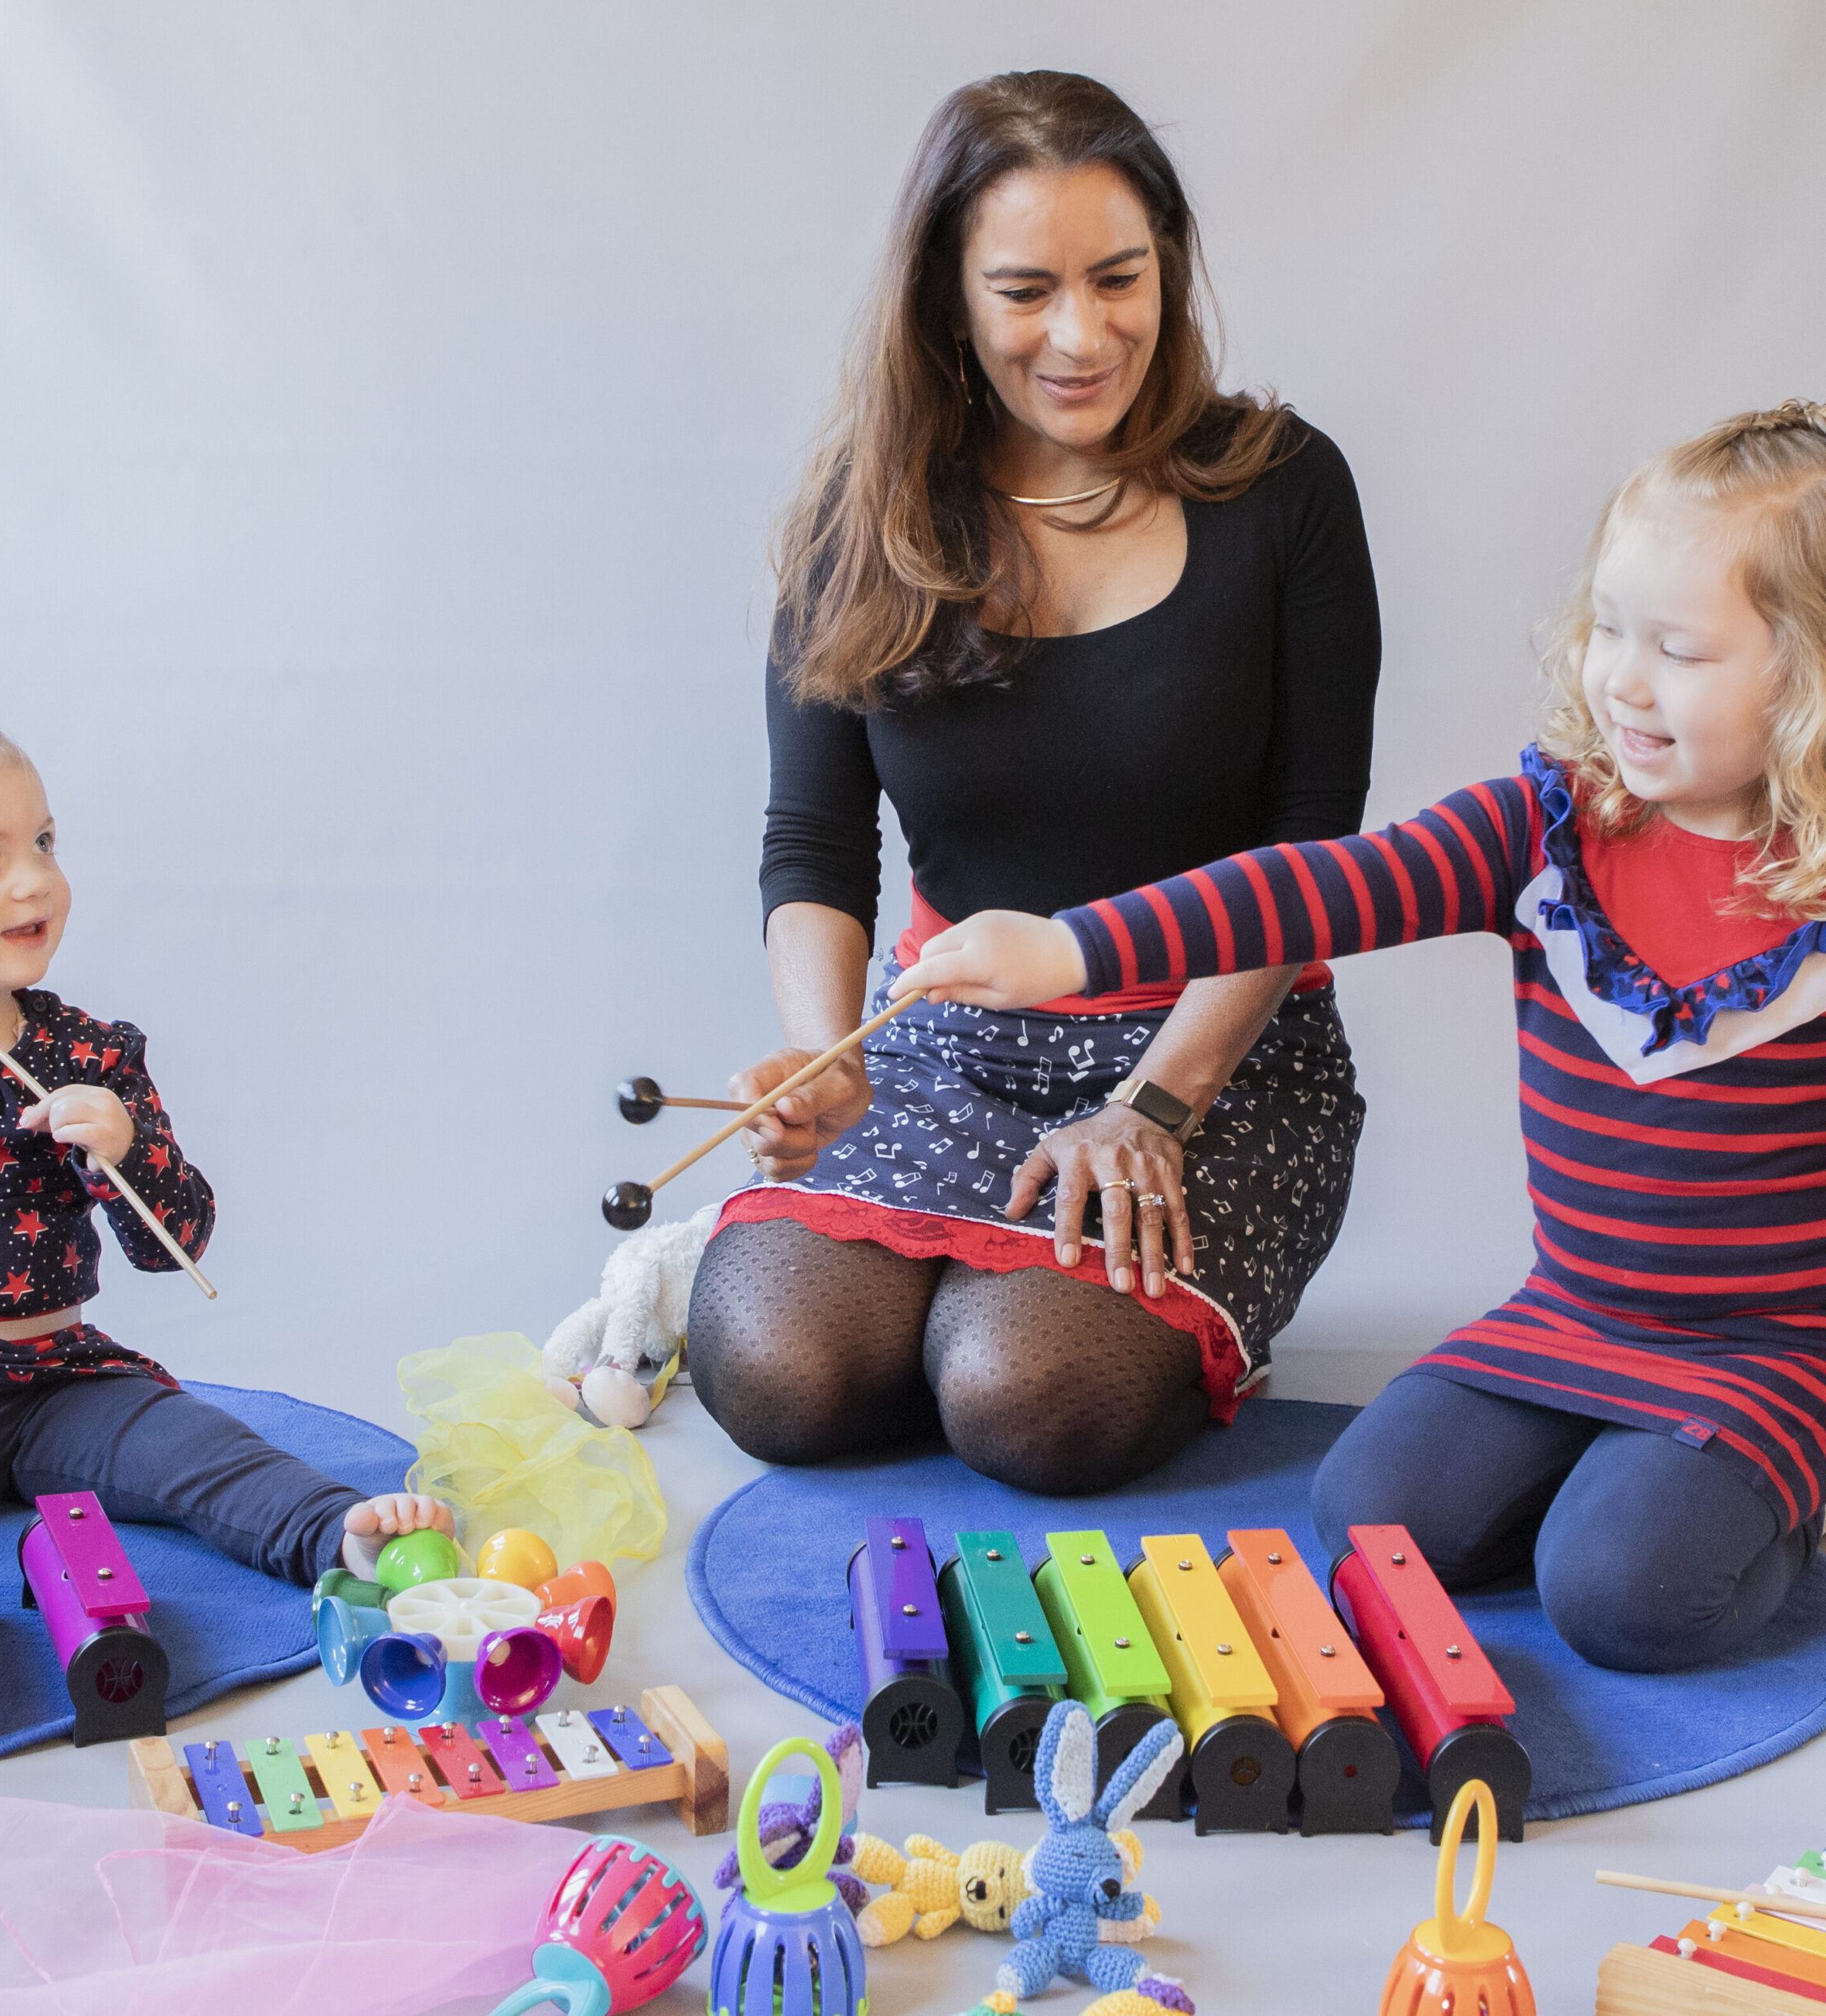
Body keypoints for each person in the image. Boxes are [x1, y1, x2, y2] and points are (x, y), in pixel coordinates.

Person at [895, 402, 1826, 1673]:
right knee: (1365, 1515)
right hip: (1574, 1312)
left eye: (1680, 649)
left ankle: (1748, 1500)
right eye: (1611, 628)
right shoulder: (1545, 830)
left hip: (1770, 1349)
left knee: (1624, 1594)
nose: (1622, 677)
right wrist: (1070, 946)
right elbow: (1316, 886)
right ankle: (1640, 1478)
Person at [687, 70, 1381, 1493]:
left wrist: (1157, 1108)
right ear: (947, 300)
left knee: (1026, 1399)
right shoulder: (859, 518)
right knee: (775, 1370)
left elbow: (1316, 854)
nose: (1084, 333)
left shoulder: (1286, 489)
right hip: (945, 1049)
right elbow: (814, 844)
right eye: (1025, 291)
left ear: (1169, 271)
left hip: (1211, 1062)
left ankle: (988, 1313)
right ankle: (947, 1289)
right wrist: (835, 1066)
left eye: (1120, 278)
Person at [0, 705, 449, 1601]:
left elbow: (178, 1240)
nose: (36, 881)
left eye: (44, 842)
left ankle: (333, 1532)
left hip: (51, 1389)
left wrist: (126, 1151)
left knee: (198, 1448)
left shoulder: (88, 1054)